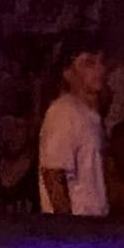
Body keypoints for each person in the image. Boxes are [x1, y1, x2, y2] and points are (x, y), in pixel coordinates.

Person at [39, 41, 108, 218]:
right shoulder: (64, 112)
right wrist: (68, 227)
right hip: (77, 224)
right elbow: (54, 173)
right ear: (68, 73)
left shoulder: (91, 115)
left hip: (93, 223)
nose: (99, 69)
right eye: (89, 63)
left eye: (101, 61)